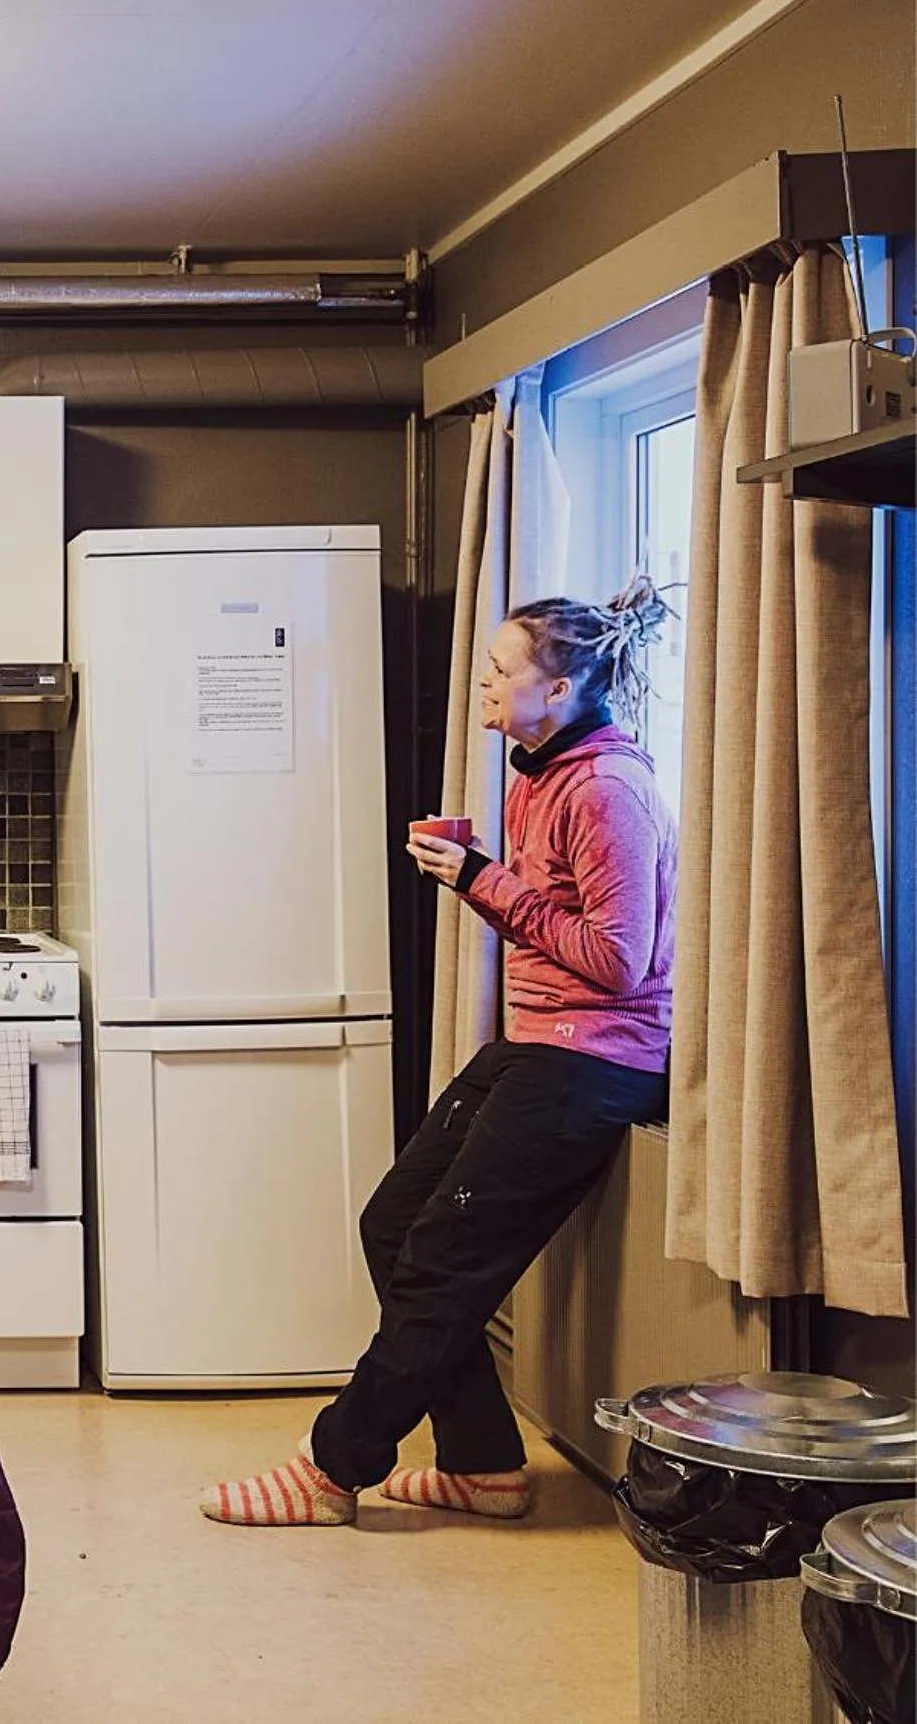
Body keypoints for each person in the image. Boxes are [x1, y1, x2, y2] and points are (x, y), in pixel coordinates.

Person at [202, 580, 676, 1527]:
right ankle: (484, 1464)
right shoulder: (536, 770)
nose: (486, 686)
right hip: (537, 1042)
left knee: (440, 1257)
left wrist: (482, 881)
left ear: (565, 684)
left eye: (505, 670)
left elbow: (621, 961)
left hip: (595, 1058)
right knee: (395, 1223)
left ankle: (333, 1468)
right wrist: (483, 883)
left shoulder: (608, 787)